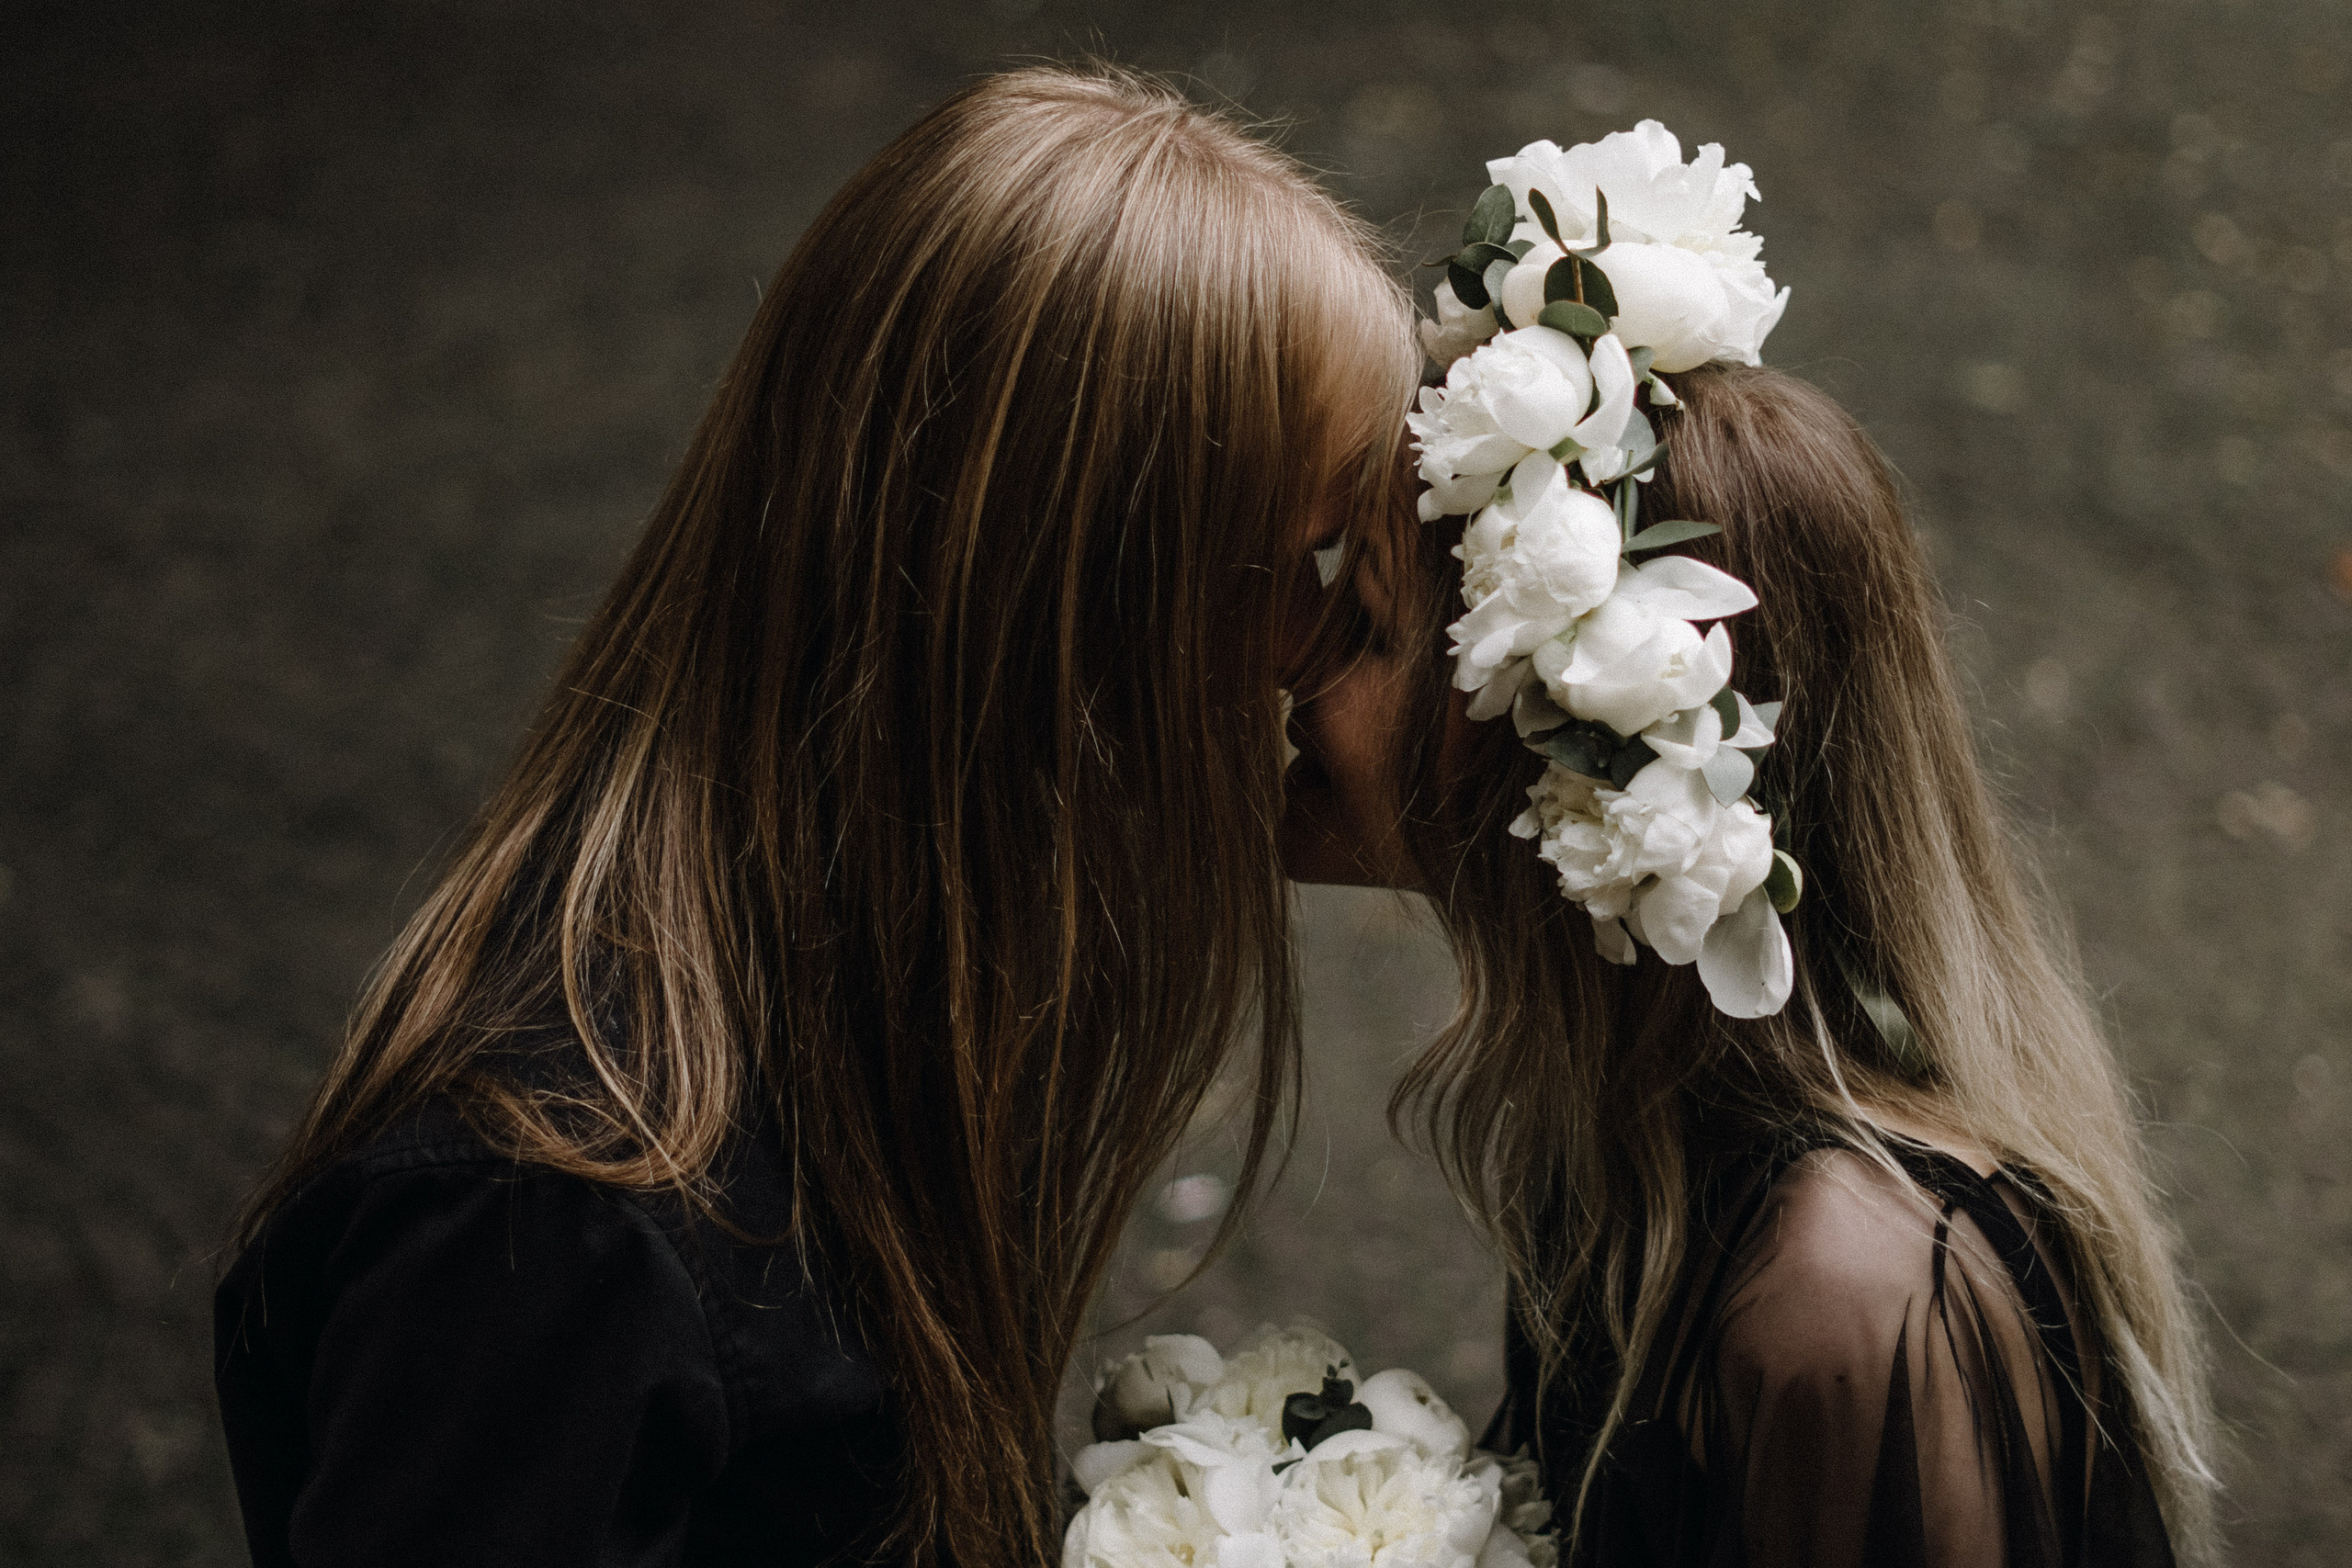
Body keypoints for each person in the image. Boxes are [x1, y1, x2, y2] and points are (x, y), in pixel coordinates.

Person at [212, 65, 1419, 1568]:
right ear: (1067, 601)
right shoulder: (548, 1224)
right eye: (1297, 568)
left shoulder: (884, 990)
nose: (1312, 659)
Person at [1301, 356, 2220, 1564]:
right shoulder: (1636, 1134)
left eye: (1362, 626)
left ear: (1561, 744)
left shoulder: (1845, 1297)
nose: (1295, 661)